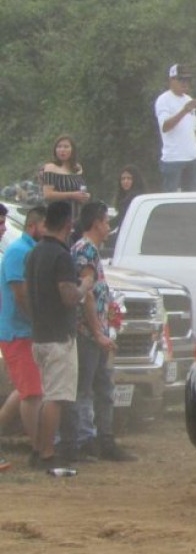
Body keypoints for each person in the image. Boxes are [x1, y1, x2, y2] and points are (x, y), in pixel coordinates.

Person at [26, 201, 93, 473]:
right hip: (58, 337)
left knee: (47, 395)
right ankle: (46, 453)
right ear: (68, 223)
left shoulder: (34, 253)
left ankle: (37, 449)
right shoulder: (61, 256)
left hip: (39, 334)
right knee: (56, 397)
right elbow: (68, 296)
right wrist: (86, 283)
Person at [69, 202, 135, 462]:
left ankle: (102, 439)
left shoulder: (89, 249)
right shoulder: (85, 249)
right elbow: (87, 297)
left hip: (95, 329)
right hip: (88, 332)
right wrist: (97, 331)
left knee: (101, 386)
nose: (108, 226)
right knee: (88, 387)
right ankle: (88, 439)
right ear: (96, 222)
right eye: (106, 221)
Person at [0, 205, 47, 471]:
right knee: (31, 394)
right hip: (17, 332)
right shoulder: (19, 252)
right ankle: (39, 450)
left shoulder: (20, 250)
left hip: (17, 331)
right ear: (34, 226)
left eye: (5, 222)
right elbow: (19, 294)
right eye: (0, 223)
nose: (4, 228)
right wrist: (38, 322)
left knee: (26, 390)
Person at [155, 63, 196, 192]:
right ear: (172, 80)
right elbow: (165, 127)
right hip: (173, 159)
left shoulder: (188, 99)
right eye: (181, 80)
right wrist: (184, 111)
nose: (185, 83)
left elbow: (194, 126)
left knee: (191, 198)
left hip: (192, 158)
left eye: (188, 80)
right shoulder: (163, 100)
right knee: (170, 199)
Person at [39, 135, 90, 221]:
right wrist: (73, 195)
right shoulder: (51, 167)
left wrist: (85, 196)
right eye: (59, 147)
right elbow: (47, 194)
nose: (62, 150)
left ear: (72, 150)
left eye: (66, 147)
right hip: (59, 217)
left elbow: (81, 189)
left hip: (77, 217)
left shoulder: (77, 168)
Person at [112, 164, 145, 230]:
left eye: (129, 178)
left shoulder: (136, 199)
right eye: (123, 179)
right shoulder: (122, 198)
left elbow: (120, 219)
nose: (125, 181)